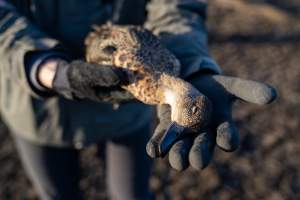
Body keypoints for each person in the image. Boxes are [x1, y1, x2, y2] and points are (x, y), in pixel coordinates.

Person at [0, 0, 277, 199]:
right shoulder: (134, 64)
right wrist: (47, 70)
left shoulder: (172, 66)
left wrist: (193, 58)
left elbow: (176, 6)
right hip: (39, 111)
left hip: (125, 115)